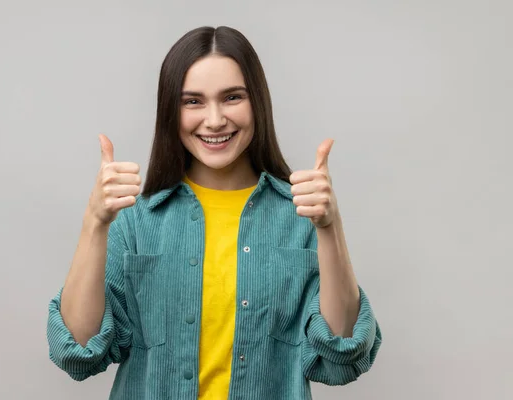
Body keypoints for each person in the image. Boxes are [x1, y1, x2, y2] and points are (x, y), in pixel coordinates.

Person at [46, 25, 382, 400]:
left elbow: (342, 355)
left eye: (232, 97)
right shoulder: (137, 221)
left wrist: (329, 227)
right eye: (193, 101)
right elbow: (76, 351)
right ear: (170, 112)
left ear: (257, 101)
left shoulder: (300, 216)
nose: (215, 119)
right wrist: (94, 222)